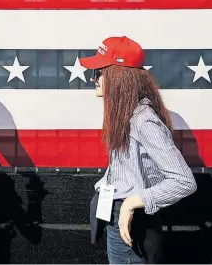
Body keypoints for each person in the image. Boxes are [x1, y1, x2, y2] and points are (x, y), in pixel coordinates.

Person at [80, 36, 197, 264]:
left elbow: (184, 181)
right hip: (120, 218)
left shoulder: (143, 121)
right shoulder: (125, 116)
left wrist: (131, 203)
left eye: (98, 72)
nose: (92, 79)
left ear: (119, 76)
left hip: (134, 224)